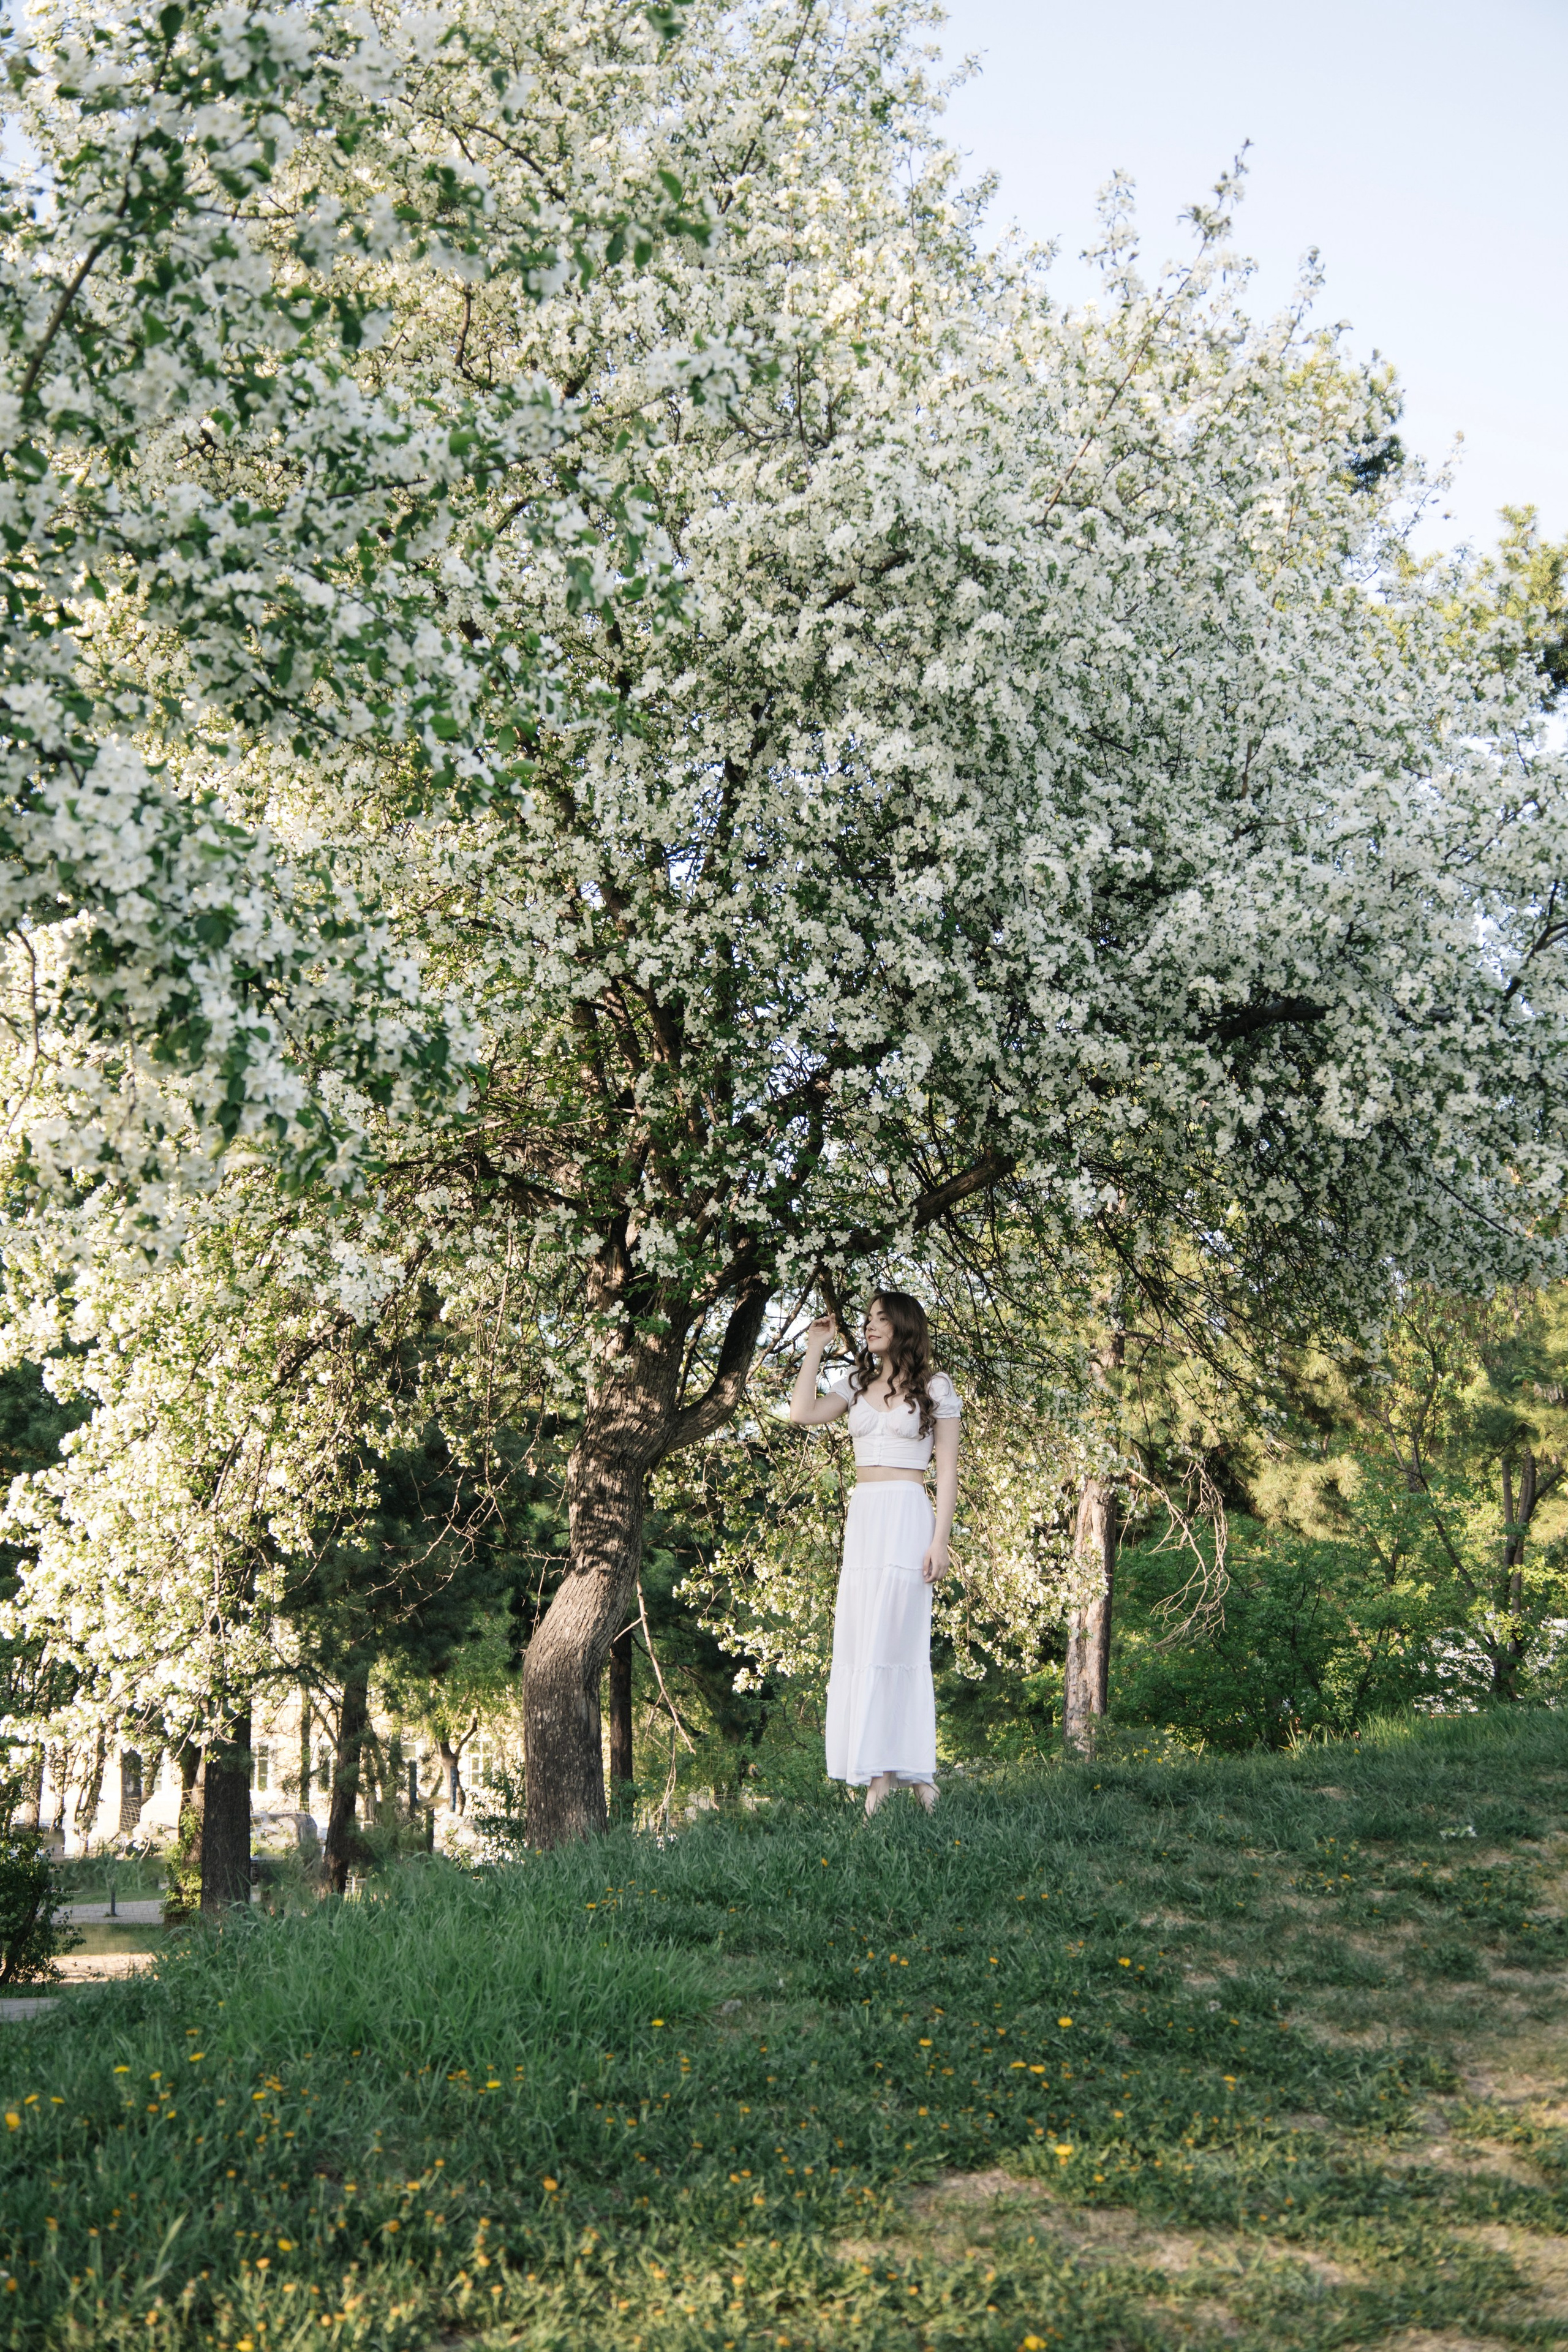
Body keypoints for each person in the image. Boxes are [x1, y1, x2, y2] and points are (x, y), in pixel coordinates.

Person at [788, 1292, 960, 1817]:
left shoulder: (936, 1387)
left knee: (899, 1646)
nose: (869, 1328)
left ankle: (895, 1781)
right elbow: (801, 1413)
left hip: (909, 1517)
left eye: (880, 1319)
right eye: (866, 1321)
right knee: (866, 1646)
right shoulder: (857, 1383)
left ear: (904, 1325)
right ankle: (904, 1780)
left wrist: (940, 1540)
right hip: (865, 1519)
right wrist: (816, 1347)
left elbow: (949, 1472)